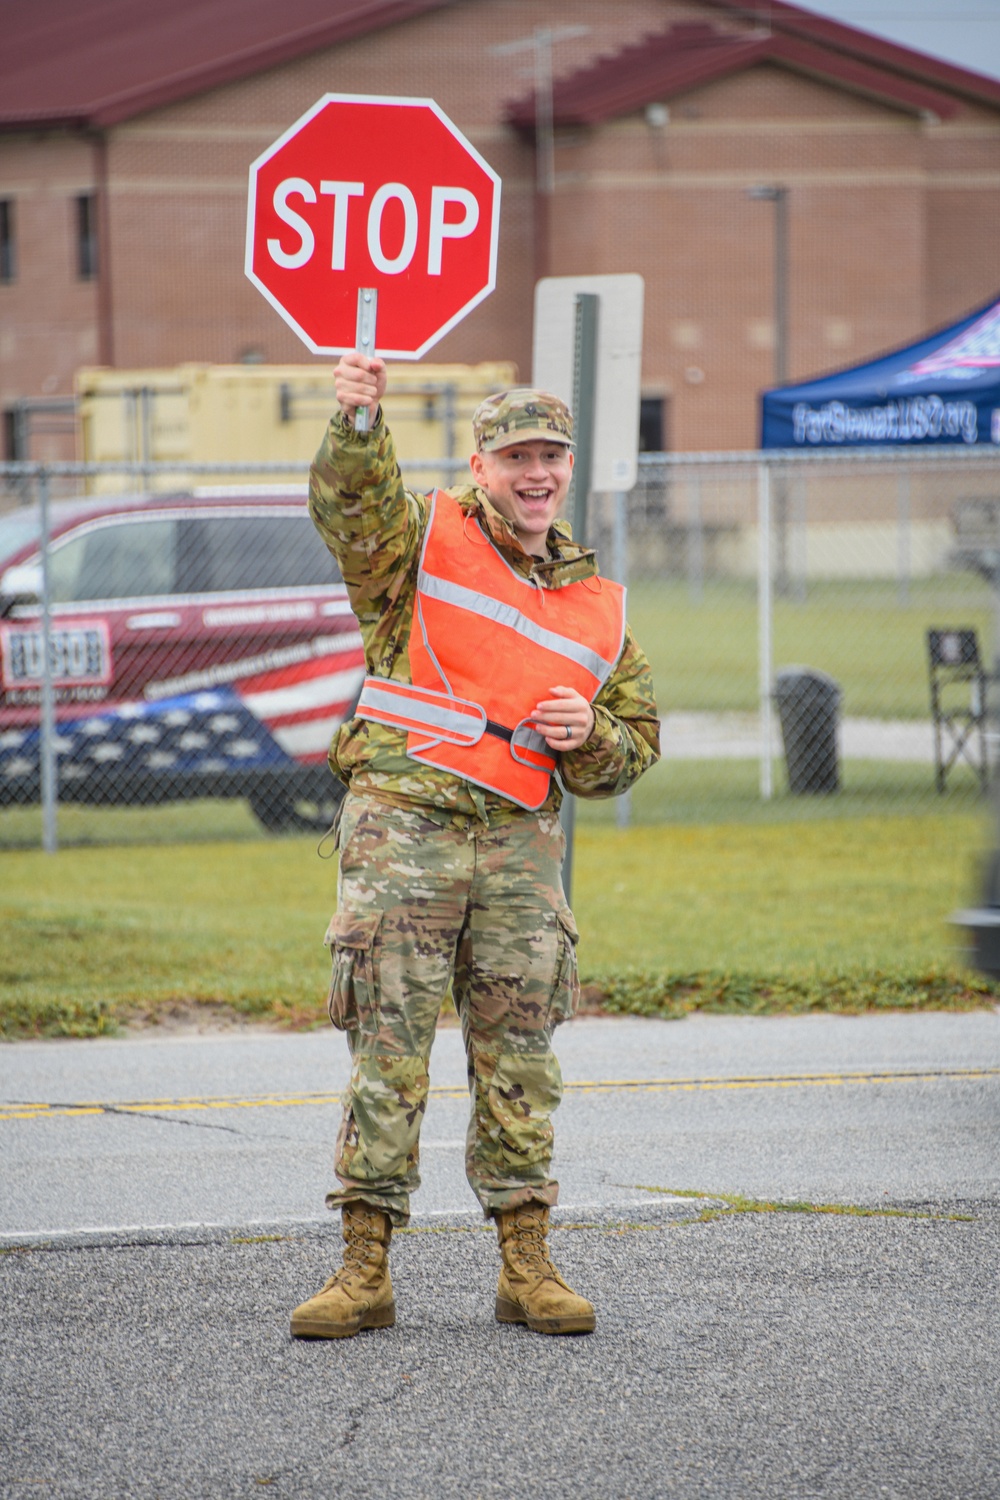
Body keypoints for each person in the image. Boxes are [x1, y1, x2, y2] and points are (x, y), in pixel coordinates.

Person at [290, 352, 660, 1341]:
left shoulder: (595, 603)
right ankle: (363, 1266)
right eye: (515, 456)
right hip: (403, 830)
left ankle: (524, 1262)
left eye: (551, 455)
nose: (535, 473)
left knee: (519, 1060)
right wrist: (358, 425)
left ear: (567, 465)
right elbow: (352, 516)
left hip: (517, 848)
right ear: (480, 463)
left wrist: (595, 736)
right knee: (387, 1052)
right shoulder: (422, 543)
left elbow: (637, 743)